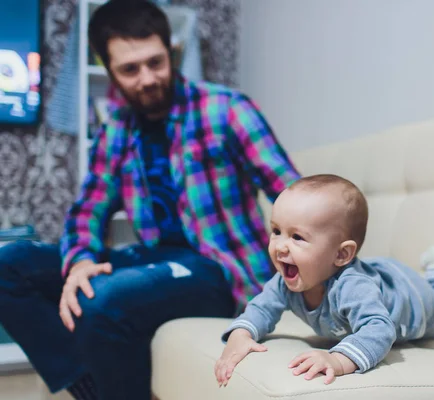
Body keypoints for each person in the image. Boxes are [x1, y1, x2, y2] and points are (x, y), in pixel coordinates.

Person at [0, 1, 299, 399]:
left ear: (171, 52)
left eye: (155, 62)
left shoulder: (227, 110)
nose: (147, 78)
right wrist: (82, 261)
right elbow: (88, 211)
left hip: (217, 268)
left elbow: (294, 195)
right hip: (154, 258)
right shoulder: (116, 131)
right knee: (10, 266)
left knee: (104, 300)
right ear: (110, 72)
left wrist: (315, 273)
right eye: (129, 69)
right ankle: (89, 389)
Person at [215, 174, 434, 386]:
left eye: (297, 237)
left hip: (413, 300)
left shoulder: (352, 287)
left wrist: (338, 360)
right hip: (378, 277)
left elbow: (380, 328)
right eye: (277, 231)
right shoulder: (285, 282)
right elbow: (261, 308)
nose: (279, 246)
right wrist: (241, 336)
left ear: (341, 254)